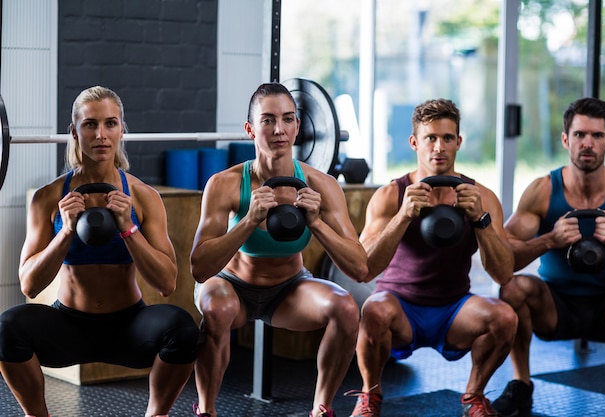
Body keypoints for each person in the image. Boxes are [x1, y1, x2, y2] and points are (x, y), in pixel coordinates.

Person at [0, 86, 199, 417]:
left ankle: (157, 414)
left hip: (129, 326)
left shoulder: (144, 196)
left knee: (183, 329)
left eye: (110, 123)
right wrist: (64, 231)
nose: (101, 134)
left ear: (122, 129)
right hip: (68, 324)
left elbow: (166, 283)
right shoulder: (49, 199)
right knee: (6, 328)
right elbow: (29, 285)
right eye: (90, 124)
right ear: (74, 132)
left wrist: (128, 228)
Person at [189, 82, 368, 417]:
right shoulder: (225, 184)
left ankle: (321, 409)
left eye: (287, 119)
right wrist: (247, 221)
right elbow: (200, 268)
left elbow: (359, 268)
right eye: (268, 120)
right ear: (250, 129)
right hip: (233, 287)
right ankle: (207, 410)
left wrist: (316, 223)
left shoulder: (322, 185)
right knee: (217, 309)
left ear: (298, 126)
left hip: (289, 290)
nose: (279, 129)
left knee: (345, 308)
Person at [347, 98, 518, 417]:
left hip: (454, 309)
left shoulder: (482, 196)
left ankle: (474, 398)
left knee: (504, 317)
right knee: (373, 309)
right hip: (400, 307)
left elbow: (504, 274)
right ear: (414, 142)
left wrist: (480, 219)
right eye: (430, 138)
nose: (439, 147)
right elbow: (364, 269)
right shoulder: (390, 195)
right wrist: (402, 217)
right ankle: (370, 396)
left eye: (448, 138)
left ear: (459, 142)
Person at [491, 97, 605, 417]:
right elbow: (501, 258)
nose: (587, 143)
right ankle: (521, 385)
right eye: (579, 135)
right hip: (554, 307)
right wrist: (548, 240)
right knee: (513, 289)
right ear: (566, 139)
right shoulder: (543, 190)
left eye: (596, 135)